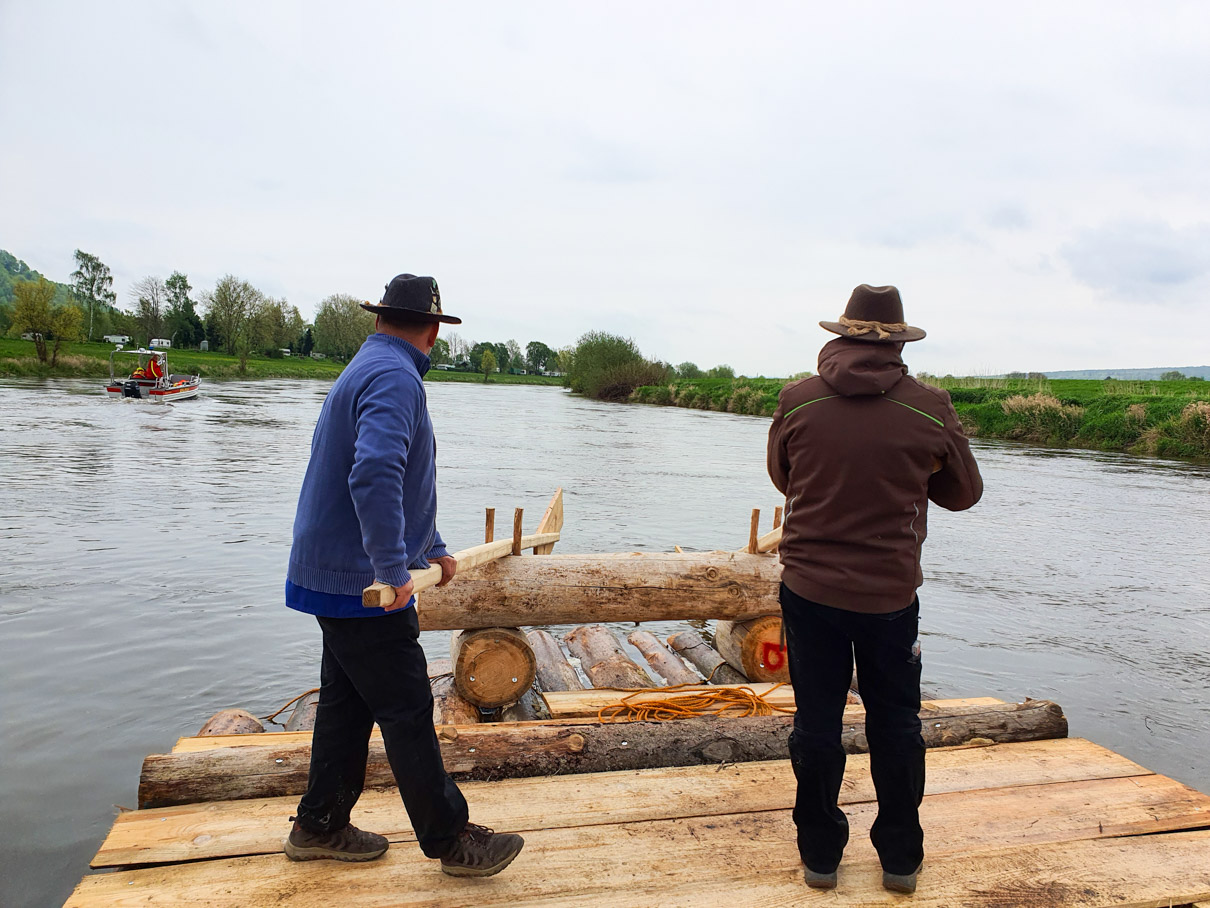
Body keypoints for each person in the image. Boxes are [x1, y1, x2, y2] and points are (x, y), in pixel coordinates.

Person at [282, 273, 524, 877]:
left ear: (379, 319)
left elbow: (403, 478)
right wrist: (393, 568)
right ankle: (452, 840)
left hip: (333, 572)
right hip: (362, 583)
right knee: (408, 707)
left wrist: (431, 546)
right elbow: (374, 474)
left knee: (345, 707)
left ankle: (320, 825)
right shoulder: (394, 376)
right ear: (434, 331)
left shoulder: (370, 366)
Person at [766, 284, 982, 894]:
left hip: (808, 590)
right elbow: (964, 494)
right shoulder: (929, 406)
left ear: (840, 336)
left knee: (816, 723)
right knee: (895, 724)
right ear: (898, 342)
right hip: (889, 598)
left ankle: (820, 858)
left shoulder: (798, 400)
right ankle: (901, 860)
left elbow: (784, 476)